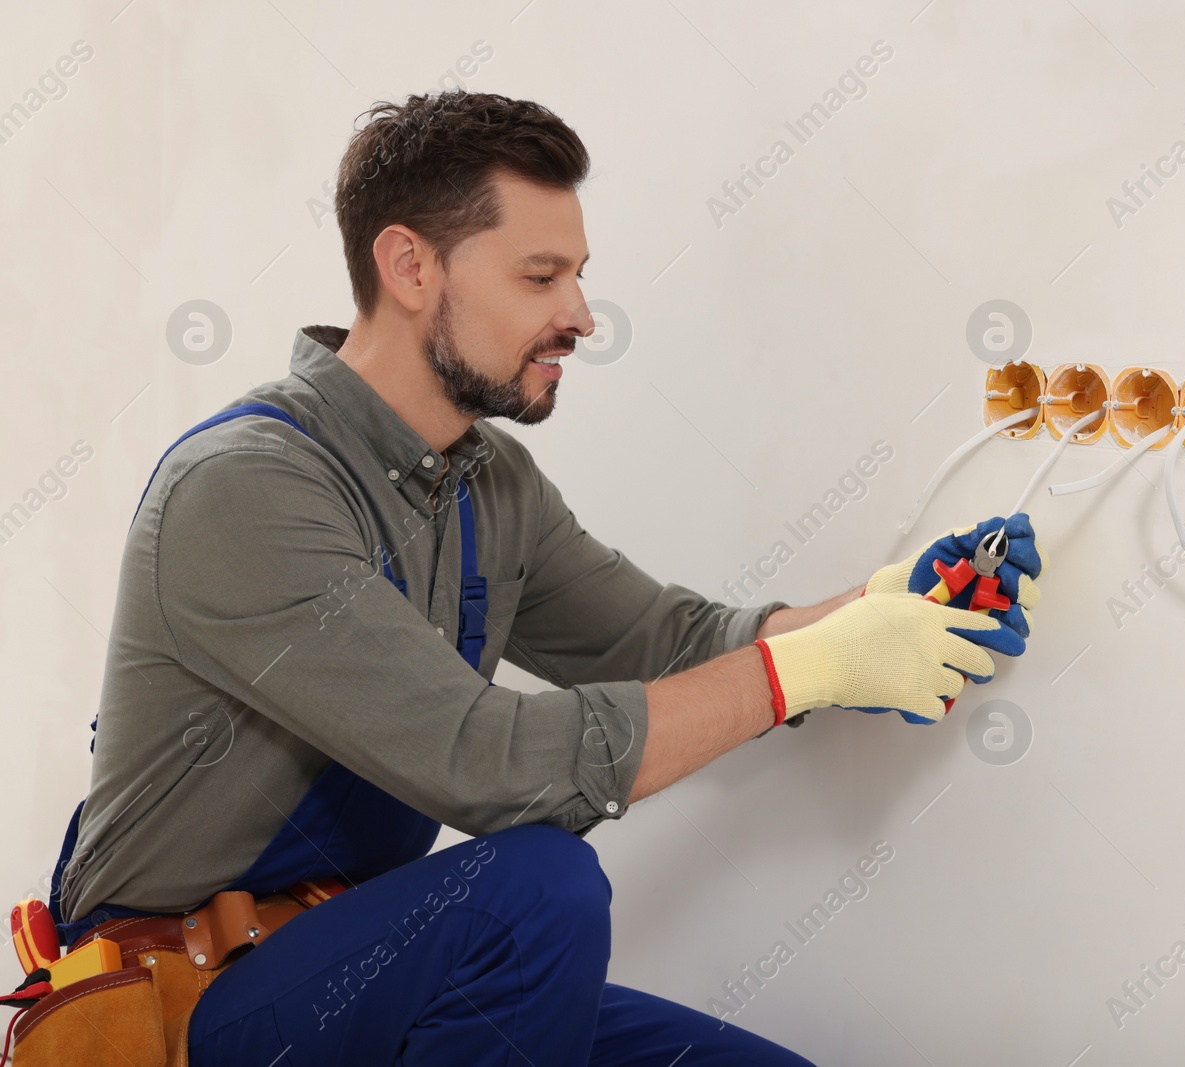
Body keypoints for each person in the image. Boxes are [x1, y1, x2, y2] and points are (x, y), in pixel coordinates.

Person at [46, 90, 1046, 1065]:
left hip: (367, 972)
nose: (581, 313)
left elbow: (669, 641)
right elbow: (486, 763)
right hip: (190, 1012)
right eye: (540, 277)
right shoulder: (246, 490)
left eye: (578, 275)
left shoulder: (488, 482)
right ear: (409, 266)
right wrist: (806, 671)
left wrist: (884, 609)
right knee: (533, 886)